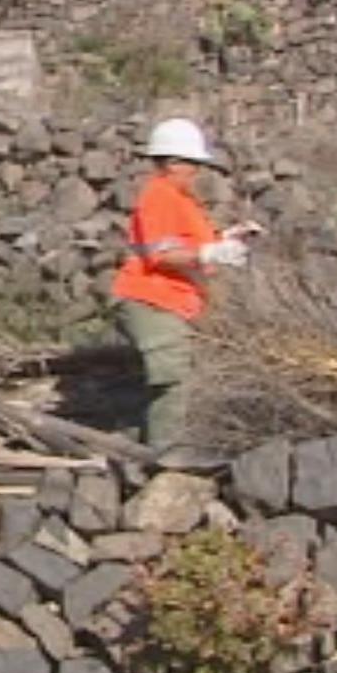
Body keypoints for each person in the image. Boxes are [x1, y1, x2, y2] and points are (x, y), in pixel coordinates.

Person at [111, 118, 262, 451]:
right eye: (193, 163)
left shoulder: (181, 200)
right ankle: (165, 456)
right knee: (173, 377)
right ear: (172, 162)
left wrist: (225, 239)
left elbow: (189, 246)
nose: (198, 171)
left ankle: (149, 448)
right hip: (152, 300)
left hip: (172, 302)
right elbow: (160, 255)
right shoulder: (160, 195)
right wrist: (212, 251)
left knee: (177, 378)